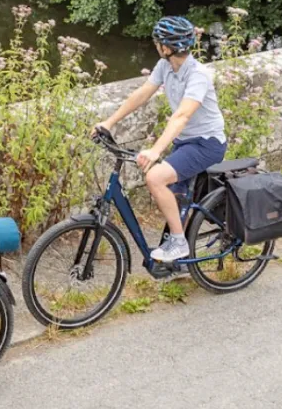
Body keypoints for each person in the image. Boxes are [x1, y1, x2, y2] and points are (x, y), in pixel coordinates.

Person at [94, 16, 227, 262]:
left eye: (158, 42)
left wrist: (155, 150)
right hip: (186, 142)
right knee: (174, 202)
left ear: (166, 47)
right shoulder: (165, 66)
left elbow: (182, 115)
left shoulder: (198, 75)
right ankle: (182, 262)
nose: (156, 45)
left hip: (206, 143)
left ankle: (178, 243)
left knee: (155, 177)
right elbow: (141, 94)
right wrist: (109, 122)